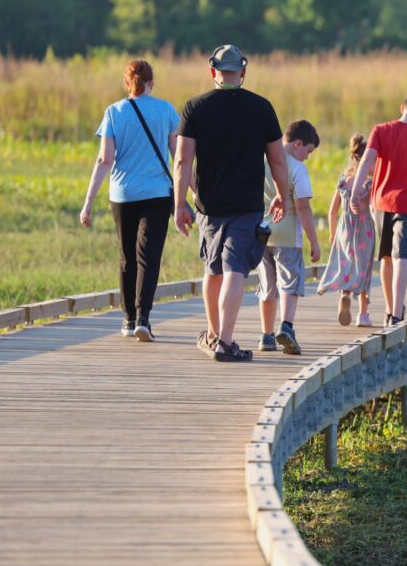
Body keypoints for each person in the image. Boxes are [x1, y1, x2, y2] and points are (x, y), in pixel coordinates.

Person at [172, 44, 288, 362]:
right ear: (243, 73)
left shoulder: (195, 108)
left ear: (213, 72)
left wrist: (179, 203)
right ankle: (224, 340)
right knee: (235, 268)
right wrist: (282, 194)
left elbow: (183, 161)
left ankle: (213, 336)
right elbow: (278, 161)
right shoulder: (262, 108)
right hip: (247, 204)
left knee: (213, 269)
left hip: (209, 205)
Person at [79, 59, 179, 342]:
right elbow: (178, 159)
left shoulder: (114, 112)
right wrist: (191, 194)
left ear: (127, 83)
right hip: (157, 194)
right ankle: (143, 319)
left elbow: (105, 159)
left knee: (127, 258)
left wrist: (88, 203)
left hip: (122, 195)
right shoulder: (166, 110)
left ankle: (127, 319)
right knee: (149, 258)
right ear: (152, 82)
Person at [349, 90, 407, 325]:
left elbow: (367, 160)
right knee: (402, 258)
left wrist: (356, 190)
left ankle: (389, 310)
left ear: (402, 108)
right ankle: (397, 314)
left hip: (379, 203)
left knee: (386, 257)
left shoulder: (380, 130)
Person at [256, 120, 322, 354]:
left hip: (261, 232)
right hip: (287, 235)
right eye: (309, 151)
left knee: (267, 285)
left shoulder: (263, 161)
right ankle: (286, 326)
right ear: (298, 144)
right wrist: (314, 241)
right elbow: (302, 206)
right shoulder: (296, 167)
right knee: (289, 283)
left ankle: (266, 335)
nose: (308, 156)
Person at [317, 133, 375, 327]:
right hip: (364, 230)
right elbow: (372, 208)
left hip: (344, 229)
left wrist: (333, 234)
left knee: (346, 264)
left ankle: (345, 295)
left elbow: (332, 211)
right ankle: (363, 314)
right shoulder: (368, 183)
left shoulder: (343, 181)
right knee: (364, 268)